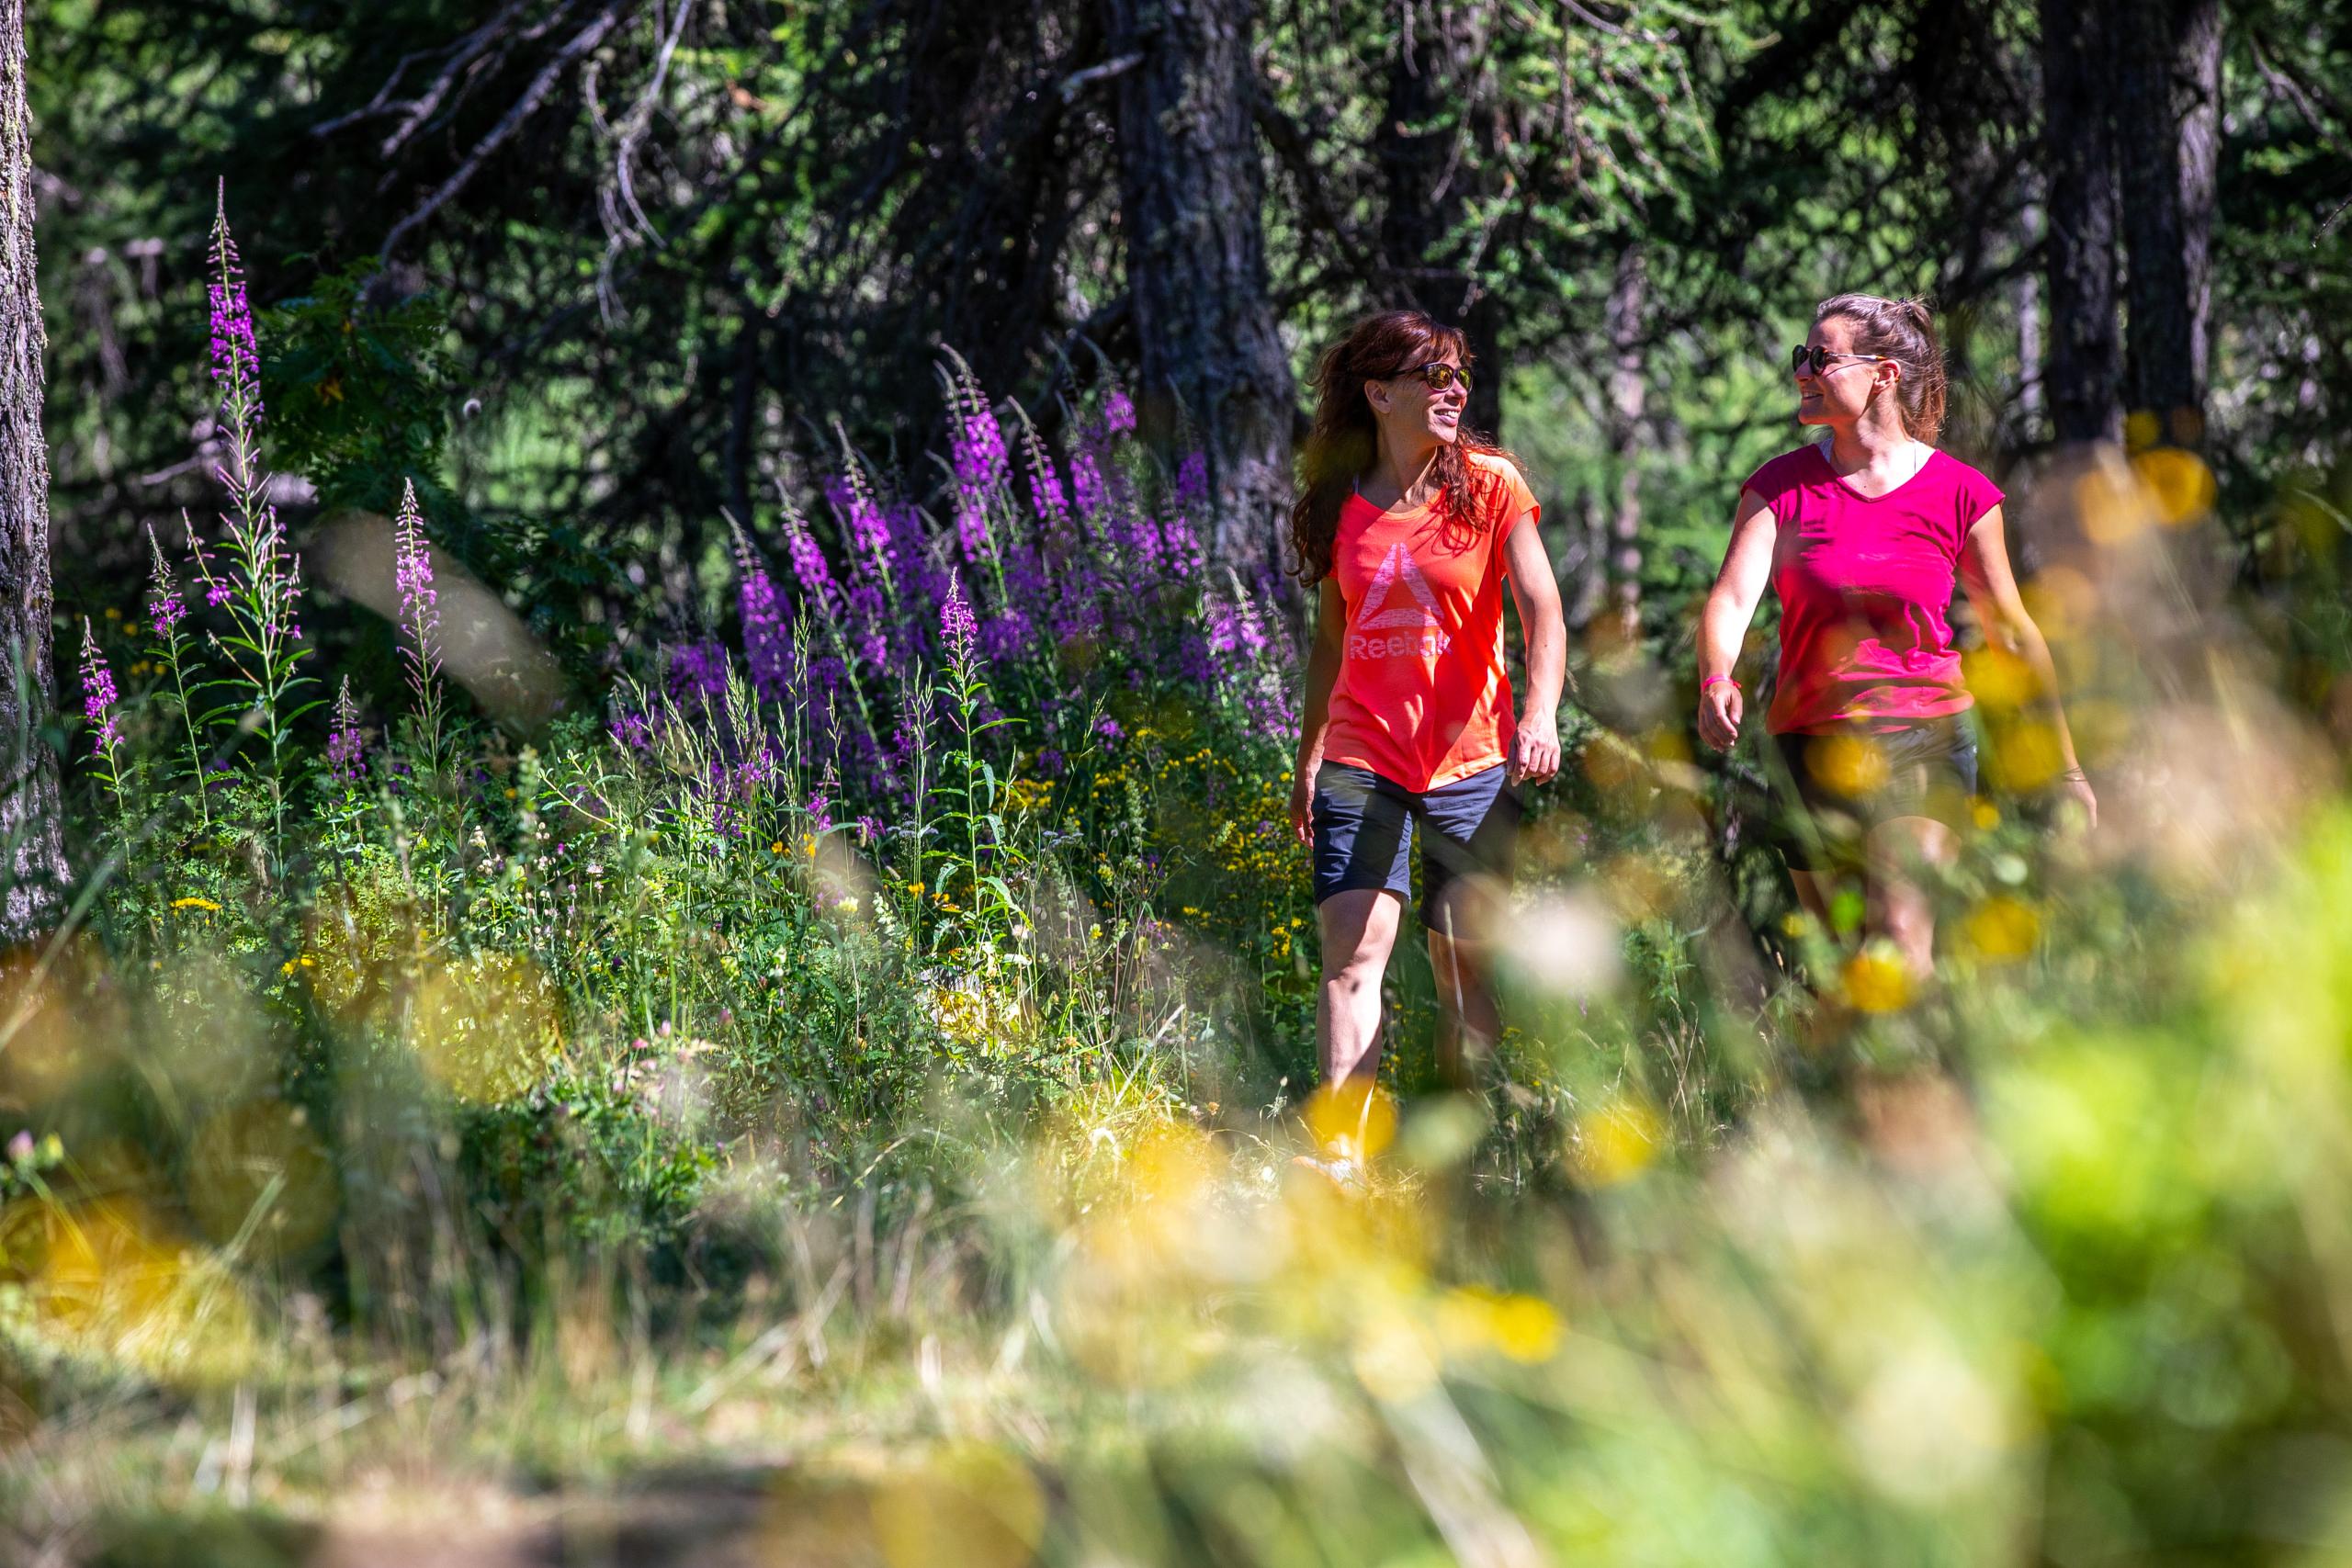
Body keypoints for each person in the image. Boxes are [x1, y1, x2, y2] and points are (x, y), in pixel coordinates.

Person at [1695, 293, 2098, 982]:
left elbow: (2011, 633)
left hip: (1924, 735)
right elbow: (1731, 600)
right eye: (1801, 356)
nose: (1803, 371)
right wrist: (1716, 678)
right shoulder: (1780, 488)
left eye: (1821, 357)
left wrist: (2066, 768)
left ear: (1883, 374)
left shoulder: (1963, 494)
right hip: (1809, 743)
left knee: (1899, 942)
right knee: (1841, 971)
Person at [1286, 311, 1566, 1179]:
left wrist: (1541, 714)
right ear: (1379, 393)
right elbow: (1330, 641)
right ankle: (1342, 1159)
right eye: (1434, 376)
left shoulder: (1490, 485)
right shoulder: (1340, 500)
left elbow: (1542, 608)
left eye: (1459, 376)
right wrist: (1308, 756)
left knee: (1461, 965)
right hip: (1362, 759)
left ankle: (1463, 1158)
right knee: (1352, 957)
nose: (1455, 391)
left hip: (1472, 762)